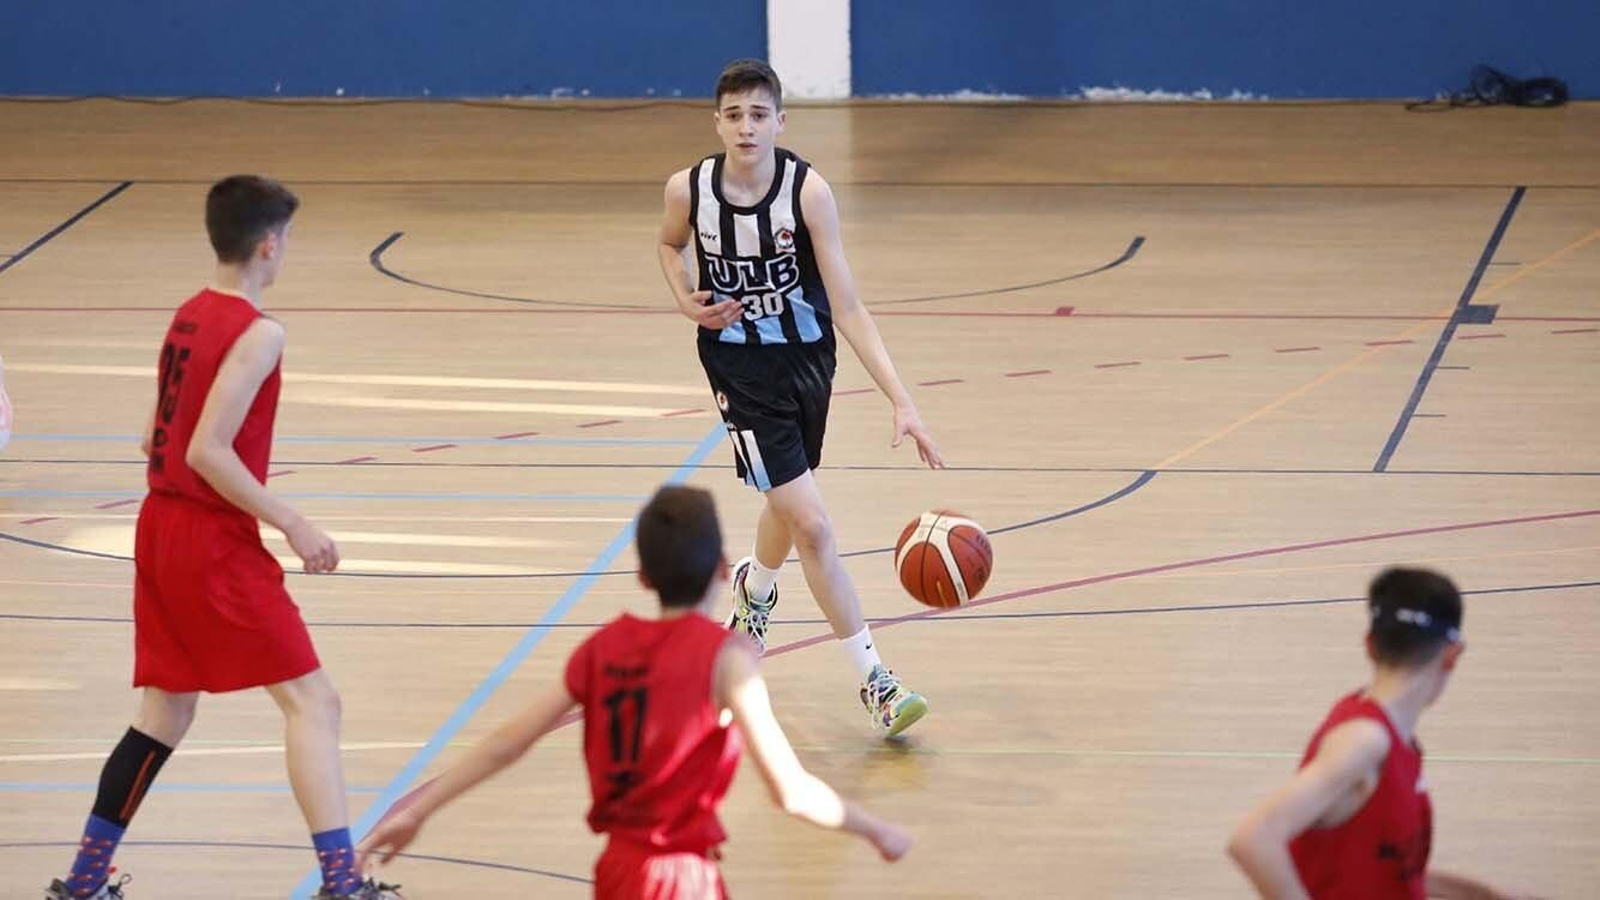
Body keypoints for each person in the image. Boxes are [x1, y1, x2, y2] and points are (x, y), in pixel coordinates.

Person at [45, 175, 398, 900]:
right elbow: (207, 450)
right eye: (288, 240)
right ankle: (341, 883)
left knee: (164, 712)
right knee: (313, 702)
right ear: (269, 245)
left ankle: (82, 882)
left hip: (160, 529)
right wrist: (294, 522)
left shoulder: (186, 315)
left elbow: (153, 435)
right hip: (209, 540)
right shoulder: (259, 331)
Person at [358, 484, 912, 896]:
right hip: (685, 876)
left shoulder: (603, 649)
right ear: (724, 571)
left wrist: (420, 809)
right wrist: (876, 830)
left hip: (617, 871)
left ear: (644, 578)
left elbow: (508, 742)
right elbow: (790, 791)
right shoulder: (728, 660)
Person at [655, 58, 943, 737]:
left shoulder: (808, 193)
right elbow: (669, 248)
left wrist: (901, 399)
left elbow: (847, 303)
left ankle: (753, 597)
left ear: (780, 121)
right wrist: (685, 300)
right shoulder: (688, 190)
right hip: (738, 370)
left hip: (810, 360)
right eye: (734, 115)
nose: (746, 127)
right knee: (812, 524)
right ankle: (877, 681)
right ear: (717, 121)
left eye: (759, 115)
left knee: (787, 501)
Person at [1227, 568, 1539, 900]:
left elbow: (1382, 873)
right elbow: (1253, 839)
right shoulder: (1365, 740)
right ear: (1452, 655)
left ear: (1369, 645)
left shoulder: (1390, 738)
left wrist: (1487, 895)